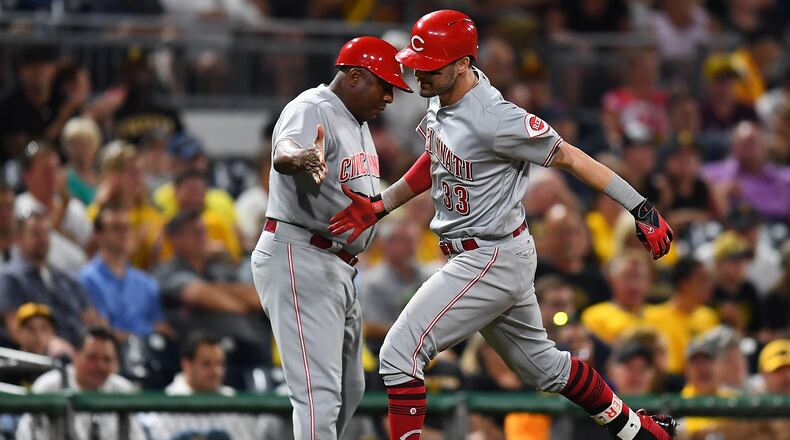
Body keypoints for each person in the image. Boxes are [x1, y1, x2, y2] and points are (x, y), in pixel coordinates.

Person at [329, 10, 675, 440]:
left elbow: (569, 156)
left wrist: (639, 206)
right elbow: (437, 156)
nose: (419, 73)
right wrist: (382, 204)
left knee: (399, 356)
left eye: (430, 65)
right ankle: (637, 431)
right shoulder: (443, 95)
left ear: (461, 65)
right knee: (545, 369)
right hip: (485, 254)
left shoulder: (498, 118)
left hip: (490, 254)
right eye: (417, 61)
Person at [250, 36, 411, 440]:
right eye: (384, 85)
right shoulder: (312, 107)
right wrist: (298, 158)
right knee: (318, 396)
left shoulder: (357, 121)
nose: (390, 97)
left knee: (350, 388)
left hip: (335, 264)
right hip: (300, 253)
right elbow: (285, 150)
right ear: (355, 76)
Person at [139, 332, 285, 439]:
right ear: (187, 365)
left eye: (220, 364)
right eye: (207, 364)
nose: (217, 371)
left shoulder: (236, 403)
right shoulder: (164, 407)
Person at [15, 326, 143, 440]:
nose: (100, 366)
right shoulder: (49, 387)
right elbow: (27, 435)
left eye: (107, 360)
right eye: (92, 358)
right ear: (75, 357)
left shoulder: (123, 390)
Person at [0, 207, 102, 349]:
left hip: (83, 355)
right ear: (18, 239)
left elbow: (92, 320)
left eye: (46, 233)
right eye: (35, 233)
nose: (43, 239)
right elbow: (16, 329)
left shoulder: (67, 279)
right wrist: (51, 344)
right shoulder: (10, 278)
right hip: (42, 361)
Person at [79, 204, 171, 342]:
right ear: (98, 235)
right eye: (116, 228)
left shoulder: (146, 283)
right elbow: (101, 329)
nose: (123, 234)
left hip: (150, 354)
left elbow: (161, 326)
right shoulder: (87, 279)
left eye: (127, 228)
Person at [644, 257, 719, 374]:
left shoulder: (708, 316)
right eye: (702, 279)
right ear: (683, 283)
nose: (710, 285)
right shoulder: (653, 317)